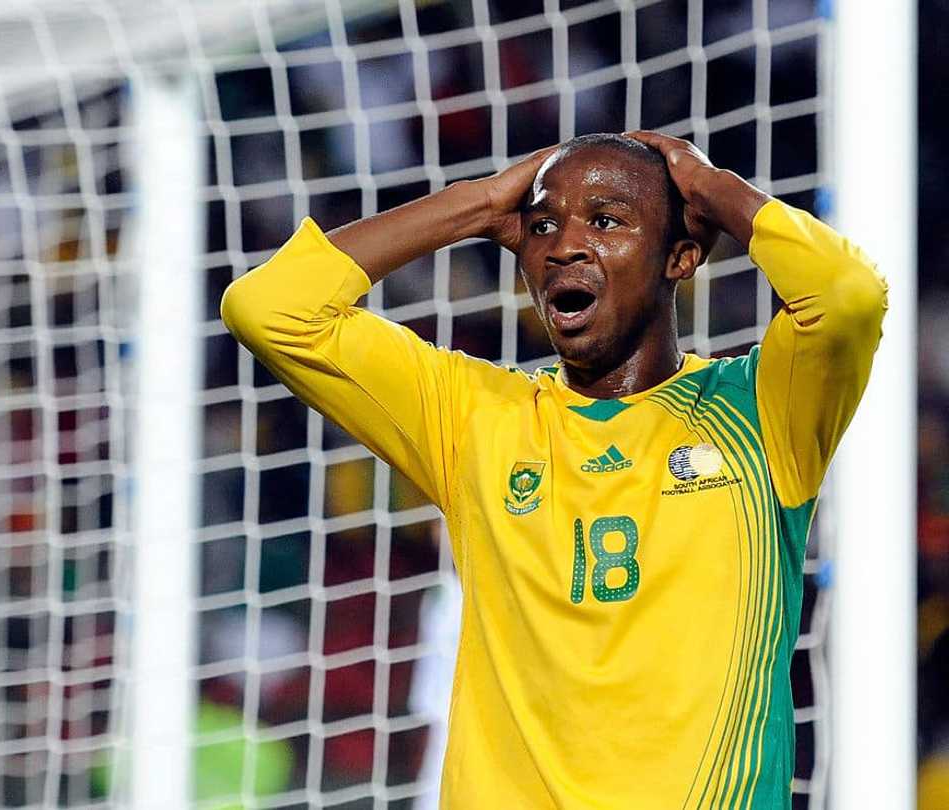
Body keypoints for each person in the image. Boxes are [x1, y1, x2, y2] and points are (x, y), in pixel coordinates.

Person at [221, 131, 887, 808]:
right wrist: (478, 205)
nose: (564, 244)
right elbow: (271, 308)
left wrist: (710, 185)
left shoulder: (762, 410)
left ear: (681, 256)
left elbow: (848, 296)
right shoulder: (476, 418)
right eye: (542, 225)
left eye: (606, 220)